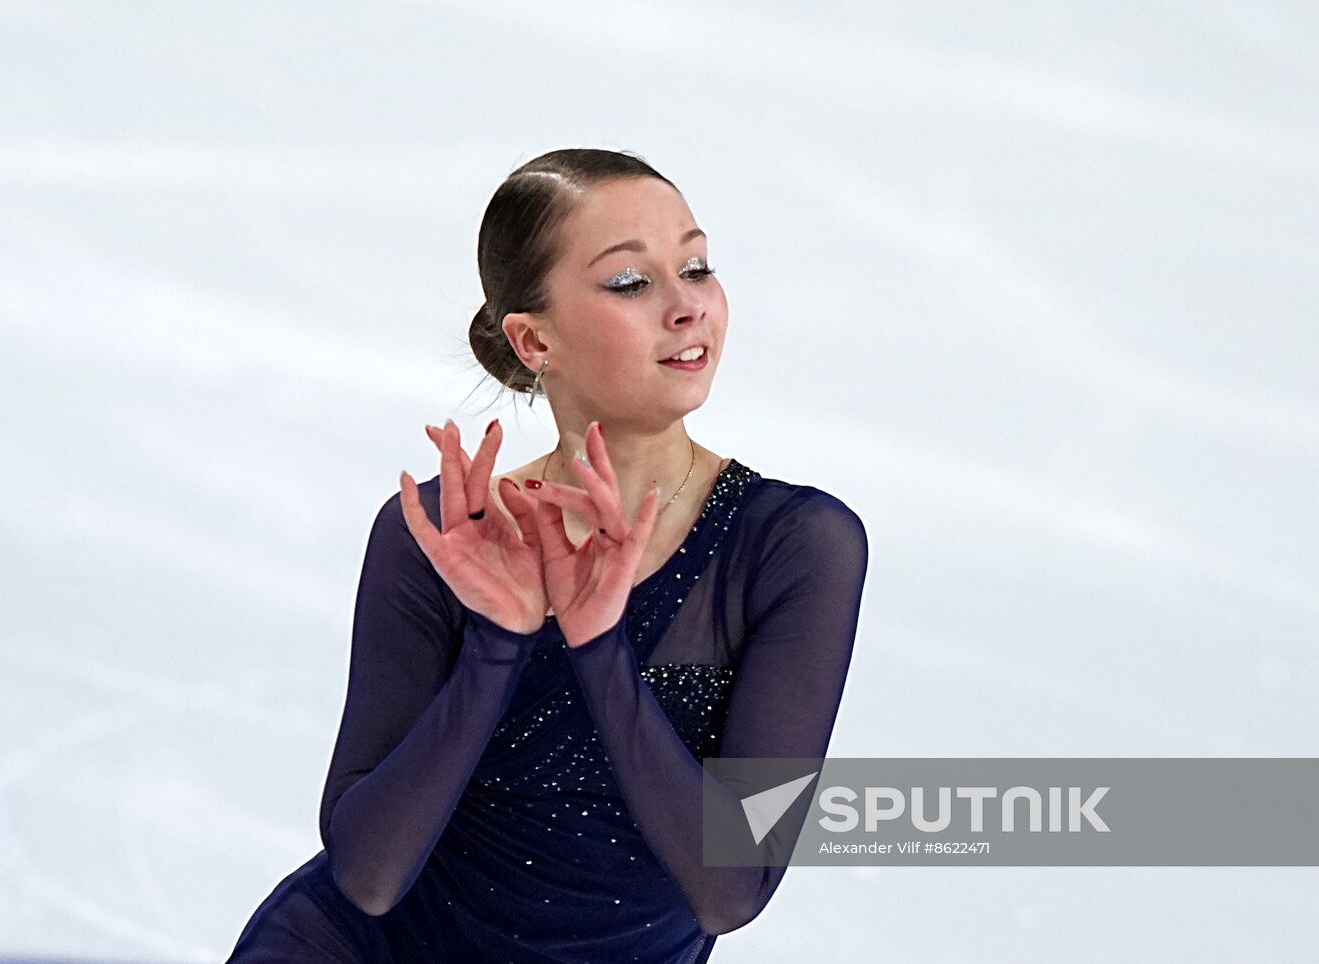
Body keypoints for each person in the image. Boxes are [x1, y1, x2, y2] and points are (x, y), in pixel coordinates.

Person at [226, 147, 870, 962]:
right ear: (533, 340)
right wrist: (498, 641)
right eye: (632, 283)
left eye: (697, 267)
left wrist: (599, 648)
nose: (688, 308)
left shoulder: (794, 545)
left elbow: (733, 890)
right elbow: (370, 877)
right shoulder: (439, 535)